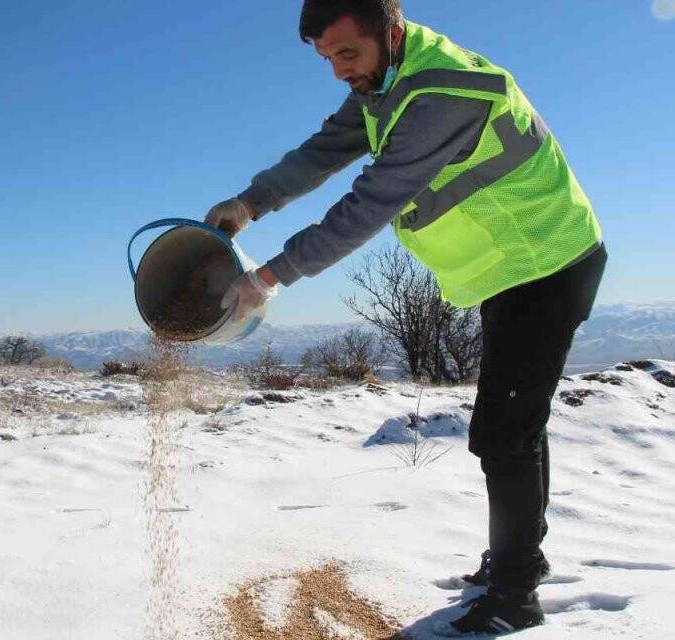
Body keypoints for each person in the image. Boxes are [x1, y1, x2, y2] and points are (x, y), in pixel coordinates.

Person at [206, 1, 606, 634]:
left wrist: (268, 277)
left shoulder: (438, 93)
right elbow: (324, 150)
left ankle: (515, 596)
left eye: (348, 54)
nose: (339, 71)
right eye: (327, 59)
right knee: (516, 423)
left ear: (389, 34)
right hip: (514, 266)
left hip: (547, 260)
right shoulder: (384, 80)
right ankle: (519, 557)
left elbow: (368, 206)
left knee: (504, 432)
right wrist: (250, 204)